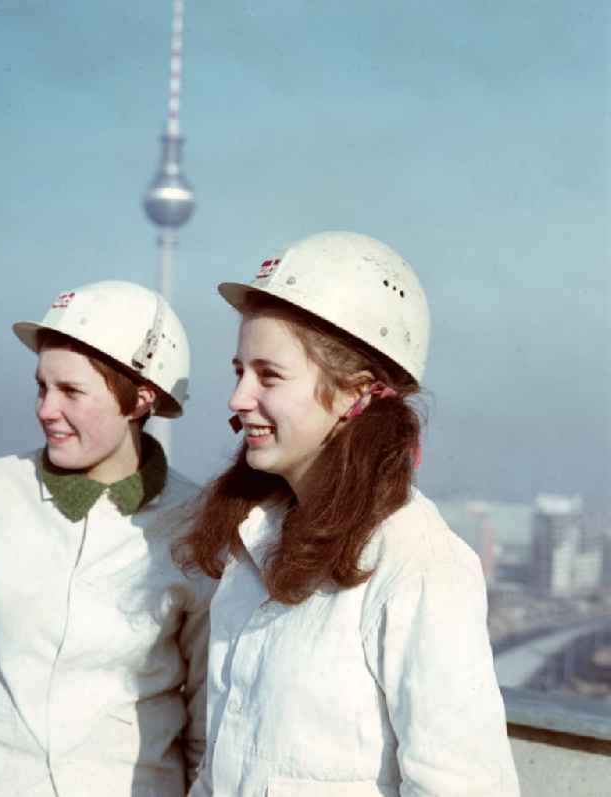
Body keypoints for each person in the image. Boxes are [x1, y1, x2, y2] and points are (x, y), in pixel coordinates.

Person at [176, 232, 520, 796]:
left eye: (269, 375)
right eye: (239, 370)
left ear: (355, 394)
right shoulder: (252, 542)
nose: (238, 398)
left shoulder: (416, 561)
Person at [0, 280, 214, 797]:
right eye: (42, 386)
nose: (45, 409)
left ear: (140, 401)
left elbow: (206, 726)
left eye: (71, 392)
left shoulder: (194, 525)